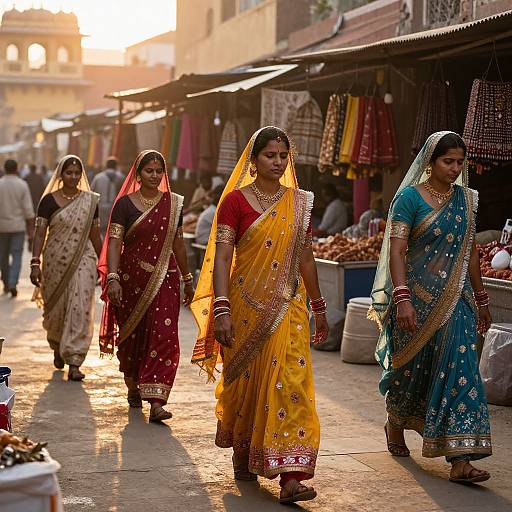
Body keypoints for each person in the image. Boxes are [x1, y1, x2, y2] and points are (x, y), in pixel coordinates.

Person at [191, 126, 328, 504]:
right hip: (245, 306)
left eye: (284, 156)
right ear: (253, 160)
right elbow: (222, 257)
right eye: (270, 155)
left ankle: (290, 476)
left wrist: (319, 305)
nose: (278, 162)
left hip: (288, 307)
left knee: (291, 382)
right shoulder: (234, 202)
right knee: (249, 383)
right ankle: (244, 448)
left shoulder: (298, 202)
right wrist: (221, 307)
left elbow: (305, 257)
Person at [369, 132, 492, 484]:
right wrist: (403, 298)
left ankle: (461, 457)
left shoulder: (466, 200)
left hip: (458, 301)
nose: (454, 169)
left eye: (459, 162)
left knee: (462, 368)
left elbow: (469, 254)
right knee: (411, 375)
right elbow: (396, 250)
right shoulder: (408, 199)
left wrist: (481, 299)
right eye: (447, 161)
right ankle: (396, 424)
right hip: (416, 301)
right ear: (430, 161)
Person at [98, 150, 194, 423]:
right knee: (133, 338)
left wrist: (187, 279)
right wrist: (113, 277)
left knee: (164, 335)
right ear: (138, 174)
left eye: (158, 171)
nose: (154, 175)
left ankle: (157, 401)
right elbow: (115, 242)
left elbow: (178, 243)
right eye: (149, 171)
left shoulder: (173, 204)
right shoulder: (124, 206)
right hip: (130, 281)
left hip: (166, 278)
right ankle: (132, 383)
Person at [30, 155, 102, 381]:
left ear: (81, 175)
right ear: (60, 175)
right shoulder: (48, 201)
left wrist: (104, 265)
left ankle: (74, 360)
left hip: (84, 258)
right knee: (57, 309)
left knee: (80, 307)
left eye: (76, 173)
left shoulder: (90, 201)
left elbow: (95, 235)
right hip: (55, 261)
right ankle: (57, 345)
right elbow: (40, 233)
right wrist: (35, 262)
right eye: (68, 173)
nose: (72, 177)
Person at [0, 159, 35, 297]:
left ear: (4, 168)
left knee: (2, 256)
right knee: (16, 256)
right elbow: (28, 210)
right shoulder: (22, 185)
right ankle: (13, 282)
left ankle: (6, 281)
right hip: (18, 227)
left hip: (1, 227)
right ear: (16, 169)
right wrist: (31, 228)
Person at [91, 156, 124, 238]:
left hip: (100, 207)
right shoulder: (121, 177)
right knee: (113, 231)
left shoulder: (98, 177)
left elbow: (91, 193)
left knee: (101, 230)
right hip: (115, 207)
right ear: (116, 166)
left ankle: (102, 247)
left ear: (106, 165)